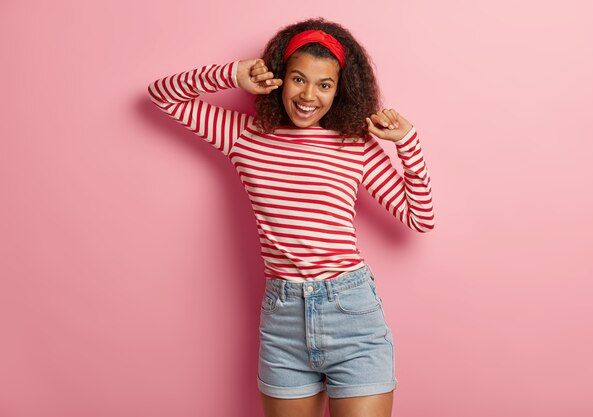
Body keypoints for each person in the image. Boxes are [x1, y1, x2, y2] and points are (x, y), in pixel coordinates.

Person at [148, 17, 434, 417]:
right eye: (299, 79)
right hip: (283, 321)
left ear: (340, 90)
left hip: (352, 313)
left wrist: (407, 143)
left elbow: (419, 217)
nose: (309, 96)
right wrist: (232, 74)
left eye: (324, 84)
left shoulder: (355, 145)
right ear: (279, 78)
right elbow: (162, 95)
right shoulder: (244, 134)